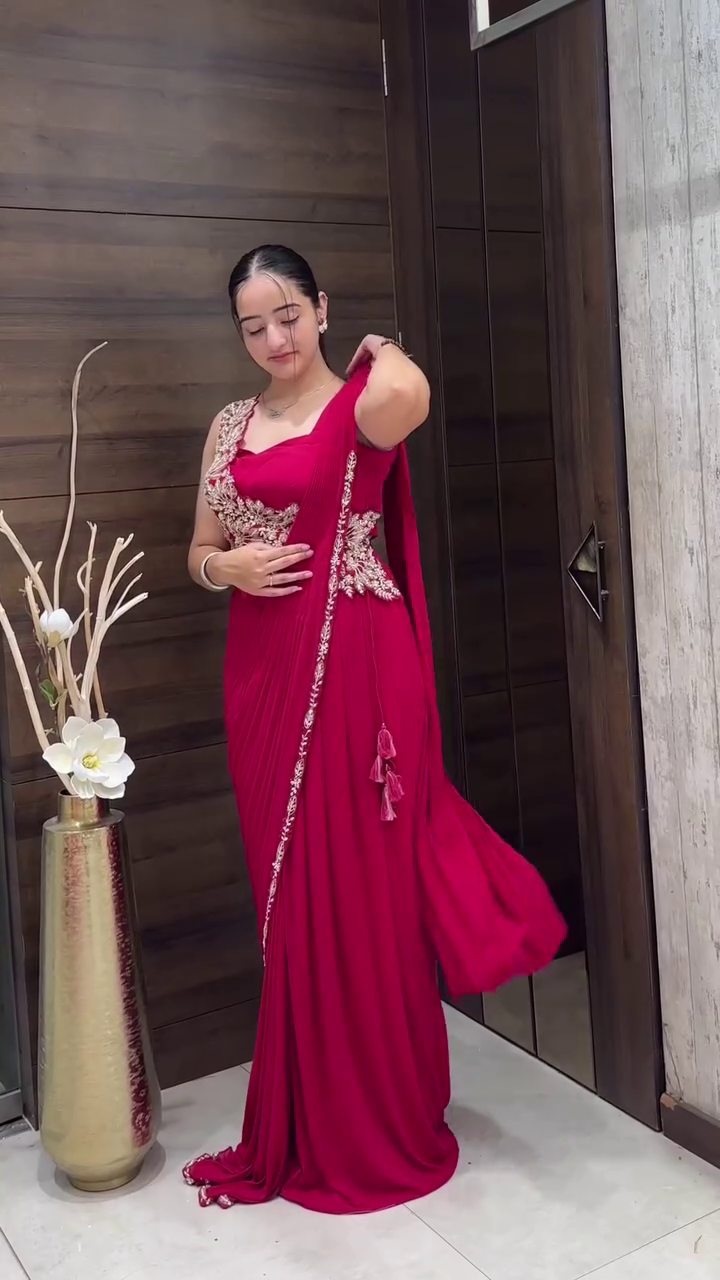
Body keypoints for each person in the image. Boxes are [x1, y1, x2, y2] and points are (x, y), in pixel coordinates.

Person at [184, 244, 565, 1214]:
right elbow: (200, 548)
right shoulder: (228, 424)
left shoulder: (361, 403)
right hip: (261, 675)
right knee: (290, 898)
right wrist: (224, 569)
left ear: (321, 308)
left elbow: (413, 392)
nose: (273, 338)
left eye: (288, 315)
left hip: (357, 668)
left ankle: (381, 1115)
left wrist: (378, 346)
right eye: (253, 325)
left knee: (364, 887)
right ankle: (311, 1112)